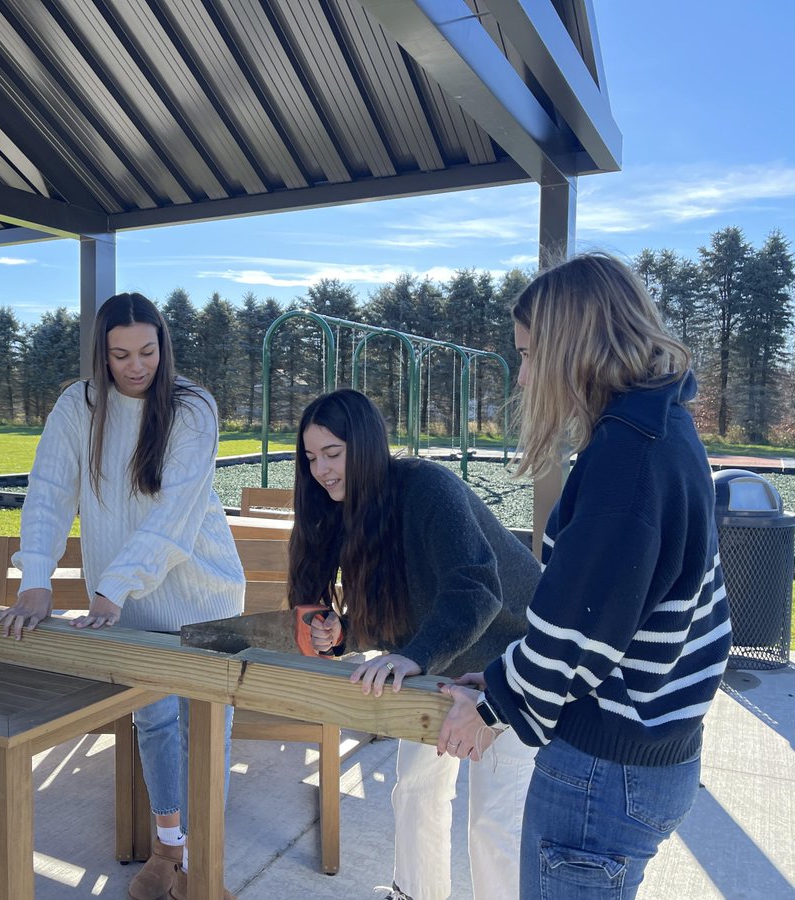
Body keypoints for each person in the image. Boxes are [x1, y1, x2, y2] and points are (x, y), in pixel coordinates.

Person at [439, 253, 733, 900]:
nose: (521, 379)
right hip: (655, 753)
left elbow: (578, 634)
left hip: (605, 772)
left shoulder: (626, 462)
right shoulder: (663, 430)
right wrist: (502, 675)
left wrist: (490, 710)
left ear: (572, 350)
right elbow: (613, 609)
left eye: (528, 355)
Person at [0, 292, 244, 900]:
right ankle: (167, 850)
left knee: (205, 726)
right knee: (154, 722)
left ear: (163, 345)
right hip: (127, 603)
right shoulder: (76, 406)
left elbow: (173, 514)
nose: (136, 367)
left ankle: (202, 865)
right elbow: (50, 491)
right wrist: (36, 580)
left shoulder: (193, 407)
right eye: (120, 355)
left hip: (203, 596)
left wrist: (110, 588)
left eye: (148, 352)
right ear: (101, 356)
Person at [290, 388, 542, 900]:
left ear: (365, 446)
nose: (321, 469)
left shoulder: (427, 487)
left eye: (333, 453)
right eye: (312, 457)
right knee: (416, 792)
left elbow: (477, 588)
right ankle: (414, 894)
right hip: (439, 665)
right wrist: (345, 634)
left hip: (514, 664)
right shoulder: (352, 510)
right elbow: (401, 603)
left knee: (494, 822)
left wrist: (414, 655)